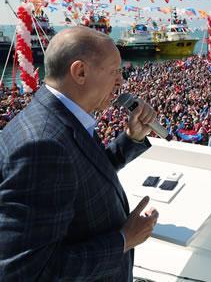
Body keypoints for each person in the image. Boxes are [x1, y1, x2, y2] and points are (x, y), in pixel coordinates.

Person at [0, 27, 159, 281]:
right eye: (114, 71)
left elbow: (84, 171)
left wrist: (131, 139)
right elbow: (29, 271)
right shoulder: (43, 146)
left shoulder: (60, 118)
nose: (121, 81)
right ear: (80, 72)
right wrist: (123, 240)